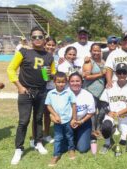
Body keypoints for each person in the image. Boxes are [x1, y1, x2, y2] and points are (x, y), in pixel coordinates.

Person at [7, 26, 56, 165]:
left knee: (39, 118)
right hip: (26, 91)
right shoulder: (23, 52)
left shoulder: (49, 56)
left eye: (40, 37)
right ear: (30, 38)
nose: (37, 39)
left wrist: (50, 74)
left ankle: (38, 142)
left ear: (44, 38)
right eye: (34, 37)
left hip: (41, 91)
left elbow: (51, 76)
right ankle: (19, 148)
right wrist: (19, 86)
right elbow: (10, 69)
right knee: (23, 121)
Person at [99, 63, 127, 154]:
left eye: (124, 72)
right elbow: (103, 101)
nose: (121, 75)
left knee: (123, 142)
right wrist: (108, 111)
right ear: (116, 74)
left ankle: (116, 132)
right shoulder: (110, 85)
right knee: (106, 127)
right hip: (111, 115)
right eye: (119, 72)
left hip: (124, 117)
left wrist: (118, 113)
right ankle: (107, 143)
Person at [30, 37, 57, 147]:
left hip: (53, 89)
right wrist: (51, 76)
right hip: (42, 88)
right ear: (44, 45)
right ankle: (34, 137)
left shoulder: (57, 57)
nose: (50, 47)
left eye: (53, 45)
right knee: (37, 114)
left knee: (47, 113)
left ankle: (46, 134)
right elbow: (46, 77)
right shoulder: (41, 57)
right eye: (48, 45)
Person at [45, 72, 76, 166]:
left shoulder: (69, 92)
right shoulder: (50, 93)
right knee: (58, 138)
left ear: (66, 83)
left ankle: (71, 150)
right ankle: (56, 155)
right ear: (54, 82)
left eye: (63, 82)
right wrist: (55, 115)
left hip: (68, 120)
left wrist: (74, 118)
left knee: (69, 136)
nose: (61, 84)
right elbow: (48, 105)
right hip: (57, 121)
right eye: (58, 82)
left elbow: (74, 105)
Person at [82, 43, 106, 136]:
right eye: (94, 50)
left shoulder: (103, 62)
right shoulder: (88, 62)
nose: (96, 52)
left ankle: (99, 127)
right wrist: (100, 74)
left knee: (102, 110)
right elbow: (86, 76)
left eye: (98, 50)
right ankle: (92, 130)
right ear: (90, 51)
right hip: (90, 90)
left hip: (102, 91)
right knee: (92, 111)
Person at [68, 72, 96, 153]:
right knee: (63, 146)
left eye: (77, 81)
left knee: (82, 149)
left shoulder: (88, 95)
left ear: (82, 82)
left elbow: (91, 112)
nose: (75, 83)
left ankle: (85, 136)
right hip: (68, 123)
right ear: (69, 82)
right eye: (72, 81)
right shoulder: (64, 93)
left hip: (83, 122)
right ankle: (76, 136)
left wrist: (81, 121)